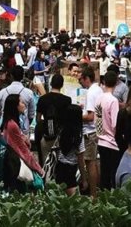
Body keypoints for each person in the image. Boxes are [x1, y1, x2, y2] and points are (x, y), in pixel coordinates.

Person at [0, 93, 43, 176]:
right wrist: (38, 168)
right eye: (21, 102)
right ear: (15, 106)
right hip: (16, 165)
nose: (24, 105)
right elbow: (22, 149)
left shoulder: (10, 122)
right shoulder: (12, 125)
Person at [36, 73, 71, 165]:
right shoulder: (67, 100)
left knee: (45, 163)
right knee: (60, 164)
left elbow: (38, 119)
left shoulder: (42, 99)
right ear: (62, 85)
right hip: (61, 137)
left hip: (46, 135)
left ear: (50, 84)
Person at [79, 65, 103, 198]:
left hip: (90, 132)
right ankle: (95, 192)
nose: (81, 83)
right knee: (93, 162)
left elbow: (90, 116)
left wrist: (76, 114)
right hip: (96, 130)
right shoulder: (98, 89)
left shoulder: (91, 92)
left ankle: (93, 195)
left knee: (90, 163)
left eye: (81, 80)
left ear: (86, 78)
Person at [95, 70, 120, 190]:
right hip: (112, 143)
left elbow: (97, 120)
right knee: (113, 175)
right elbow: (115, 124)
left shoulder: (99, 98)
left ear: (104, 82)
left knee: (104, 174)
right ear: (116, 83)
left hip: (101, 140)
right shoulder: (113, 101)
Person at [54, 104, 86, 195]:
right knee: (75, 202)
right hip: (70, 170)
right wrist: (84, 179)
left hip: (59, 167)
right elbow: (81, 160)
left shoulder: (62, 131)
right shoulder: (78, 136)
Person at [0, 66, 35, 136]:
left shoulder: (2, 92)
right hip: (23, 130)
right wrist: (26, 124)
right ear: (23, 76)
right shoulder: (29, 93)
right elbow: (31, 114)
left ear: (11, 76)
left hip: (5, 128)